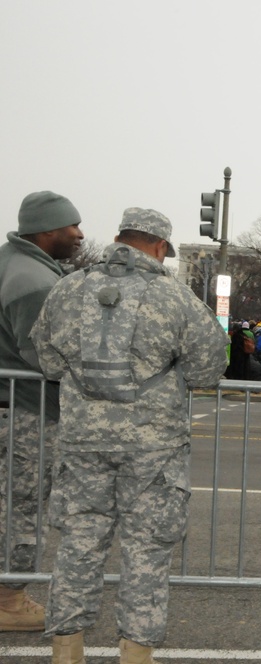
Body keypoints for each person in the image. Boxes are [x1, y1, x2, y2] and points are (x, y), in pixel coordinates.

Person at [31, 207, 228, 662]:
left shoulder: (68, 288)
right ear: (160, 246)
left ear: (120, 237)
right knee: (146, 554)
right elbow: (208, 367)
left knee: (78, 546)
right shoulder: (174, 298)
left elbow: (47, 358)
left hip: (83, 440)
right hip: (152, 449)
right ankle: (135, 655)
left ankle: (67, 653)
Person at [0, 191, 83, 632]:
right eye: (73, 226)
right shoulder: (34, 282)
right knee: (23, 503)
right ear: (48, 230)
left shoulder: (11, 263)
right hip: (27, 411)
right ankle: (9, 600)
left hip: (13, 405)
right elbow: (45, 357)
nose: (79, 234)